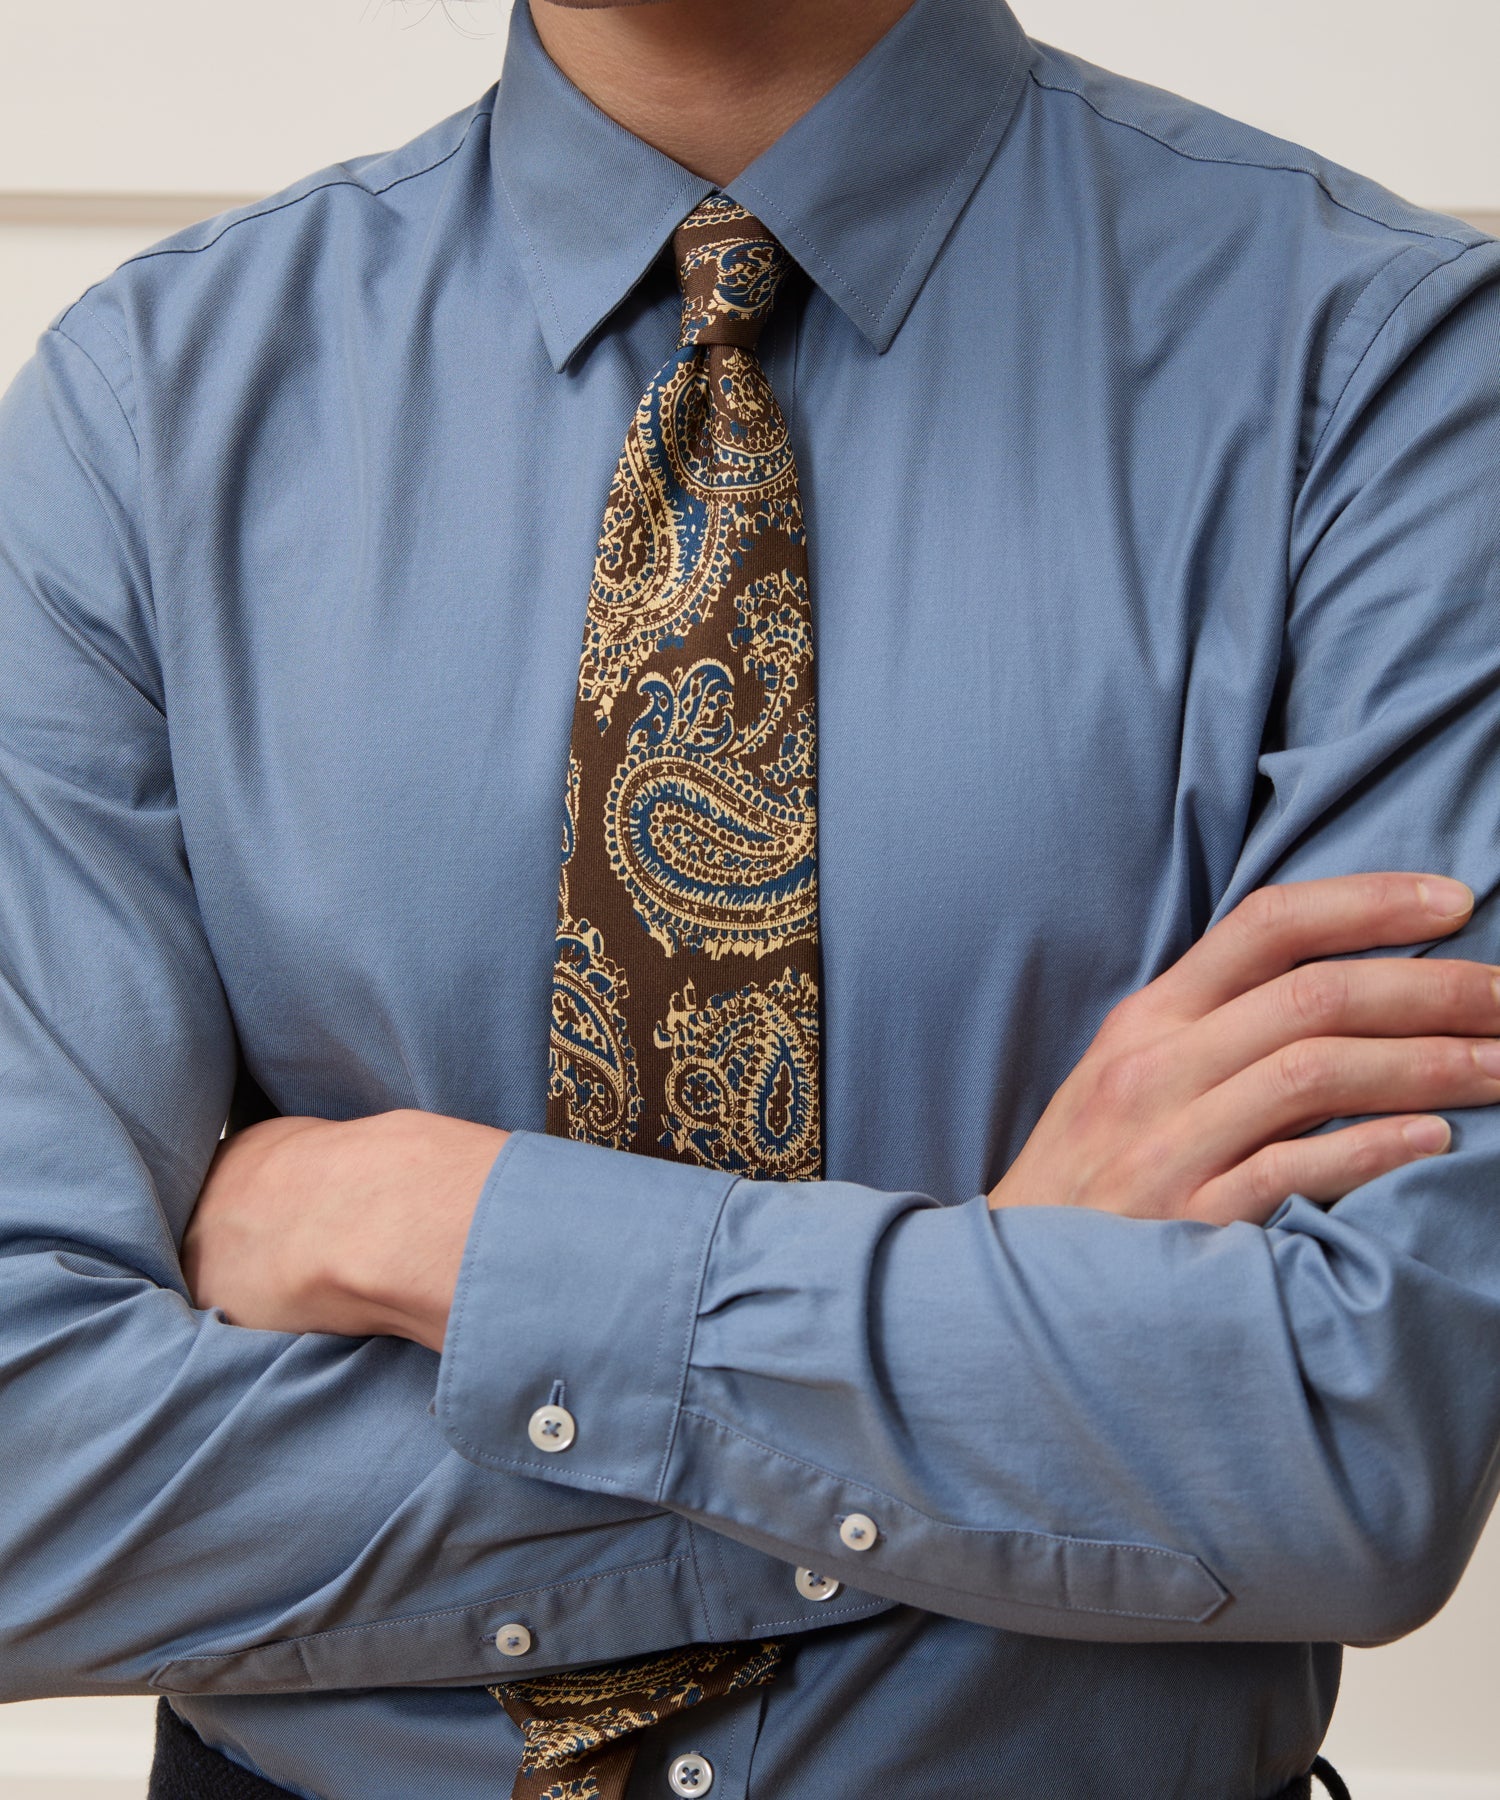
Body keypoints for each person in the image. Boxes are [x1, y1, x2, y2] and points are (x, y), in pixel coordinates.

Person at [1, 0, 1498, 1794]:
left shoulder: (1388, 375)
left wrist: (442, 1229)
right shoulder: (143, 414)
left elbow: (1346, 1447)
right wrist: (988, 1329)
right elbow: (27, 1482)